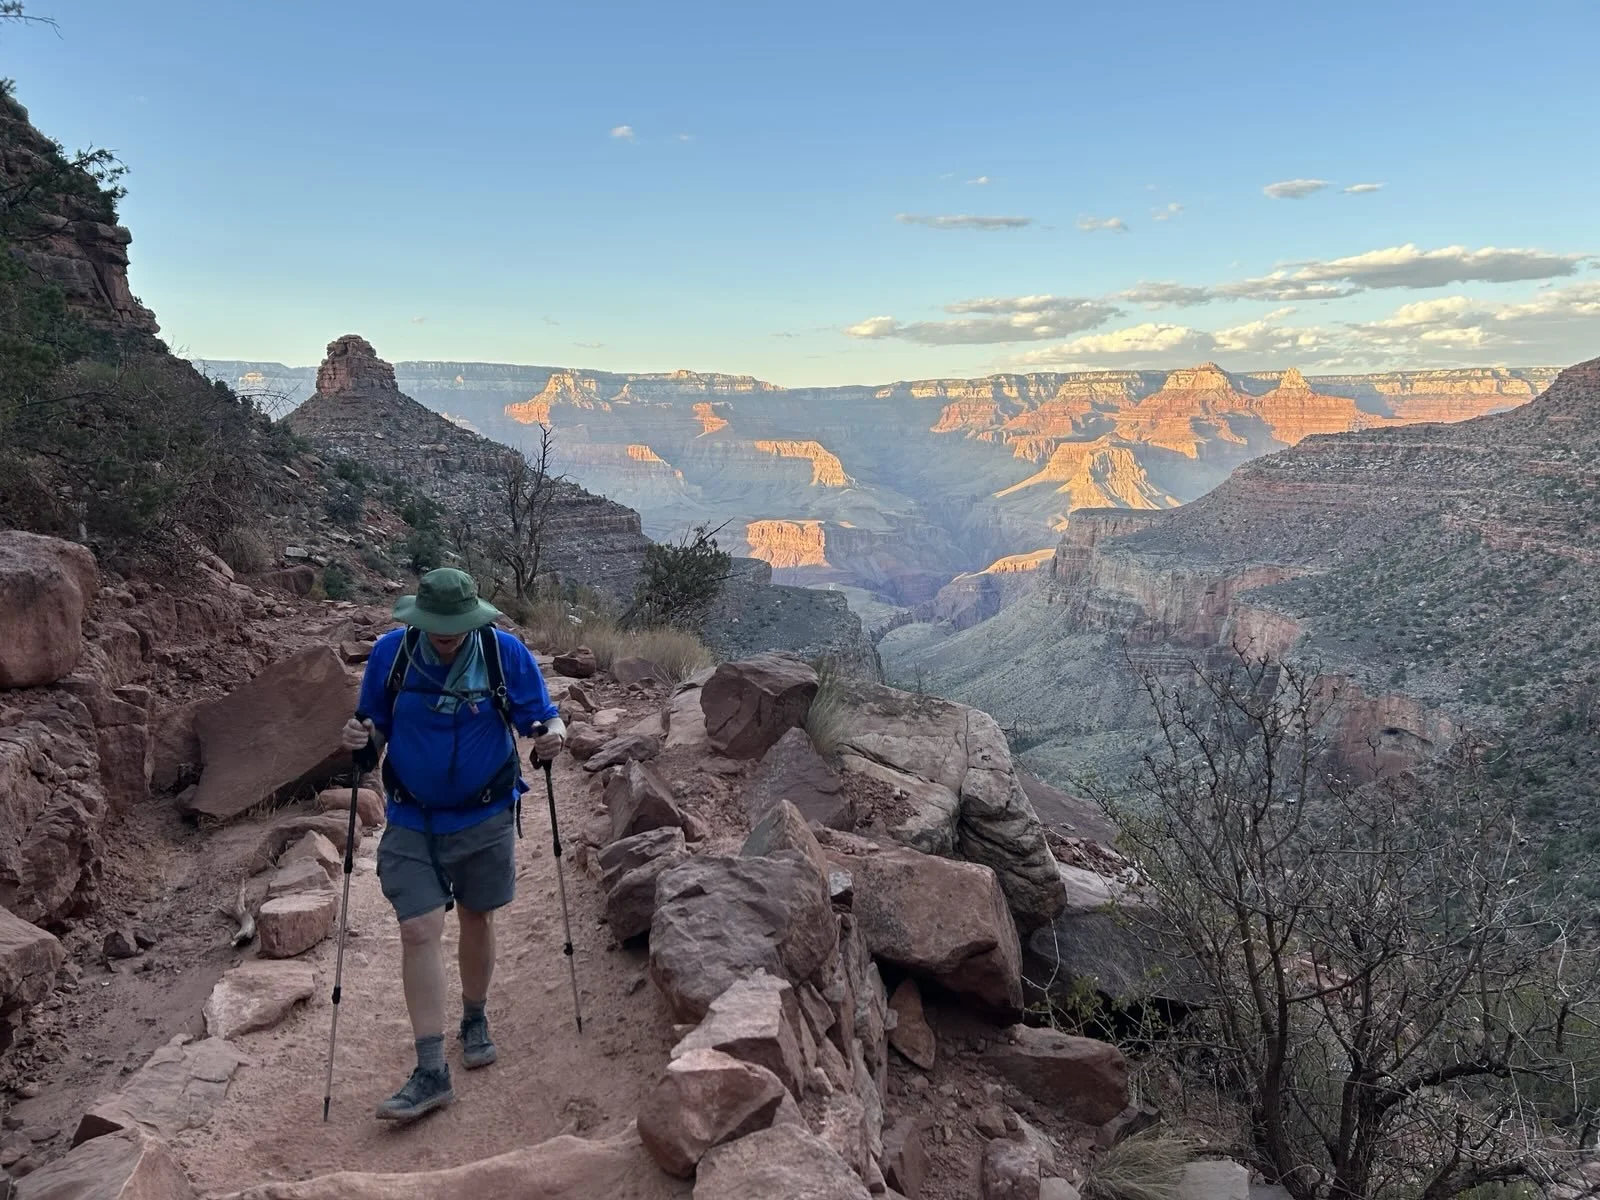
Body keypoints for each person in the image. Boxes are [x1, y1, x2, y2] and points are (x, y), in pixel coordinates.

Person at [340, 567, 565, 1123]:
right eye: (437, 624)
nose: (446, 633)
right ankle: (431, 1068)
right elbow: (373, 731)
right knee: (418, 928)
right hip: (412, 815)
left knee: (476, 918)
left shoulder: (502, 653)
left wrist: (553, 736)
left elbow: (541, 717)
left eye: (455, 624)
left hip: (484, 812)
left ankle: (475, 1015)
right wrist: (359, 739)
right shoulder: (391, 655)